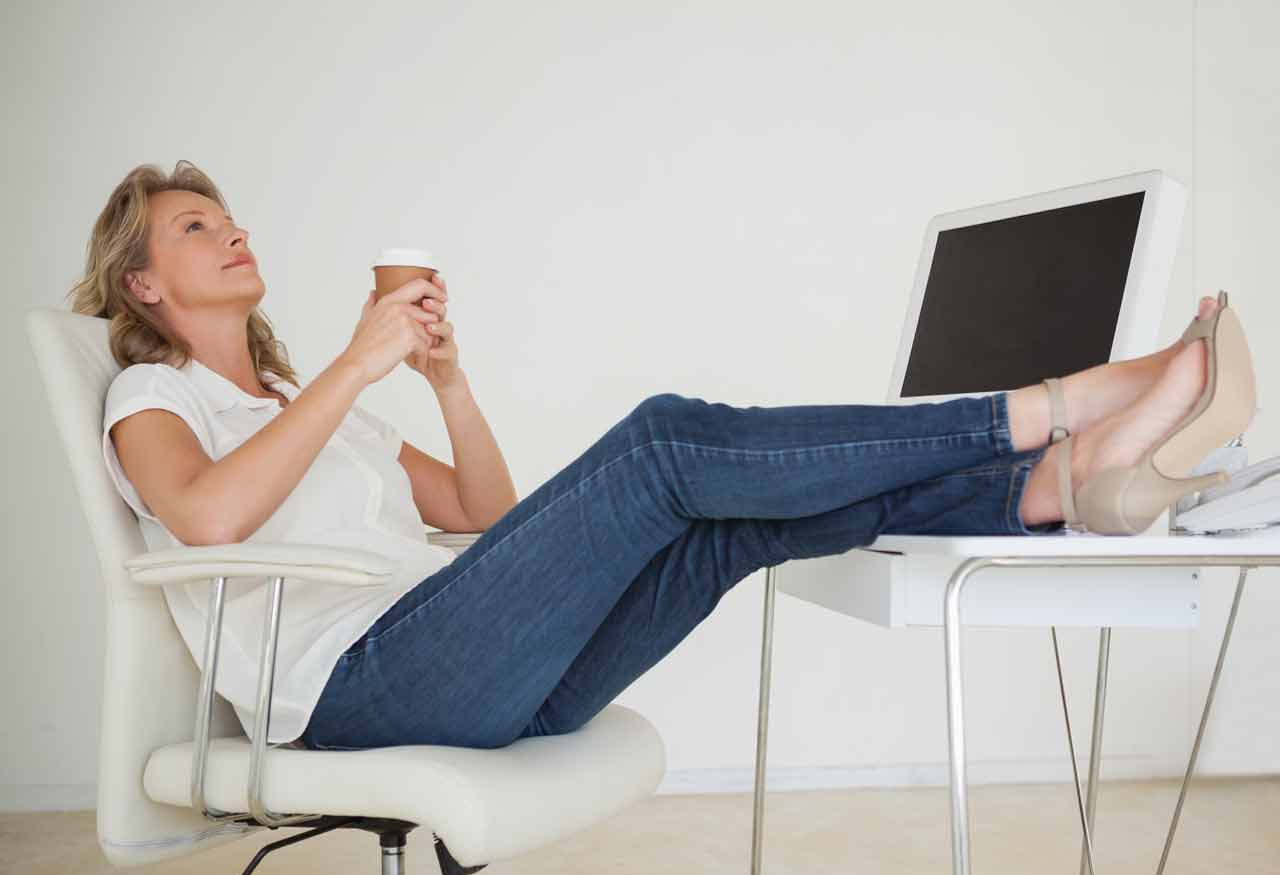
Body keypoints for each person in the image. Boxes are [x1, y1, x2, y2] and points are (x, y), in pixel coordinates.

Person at [72, 160, 1231, 752]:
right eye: (193, 228)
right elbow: (209, 519)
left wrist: (442, 380)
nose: (231, 232)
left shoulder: (294, 403)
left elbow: (485, 513)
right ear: (144, 282)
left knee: (720, 523)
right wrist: (355, 367)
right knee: (665, 441)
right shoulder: (154, 393)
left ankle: (1047, 487)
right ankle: (1058, 407)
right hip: (355, 690)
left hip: (473, 673)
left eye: (228, 216)